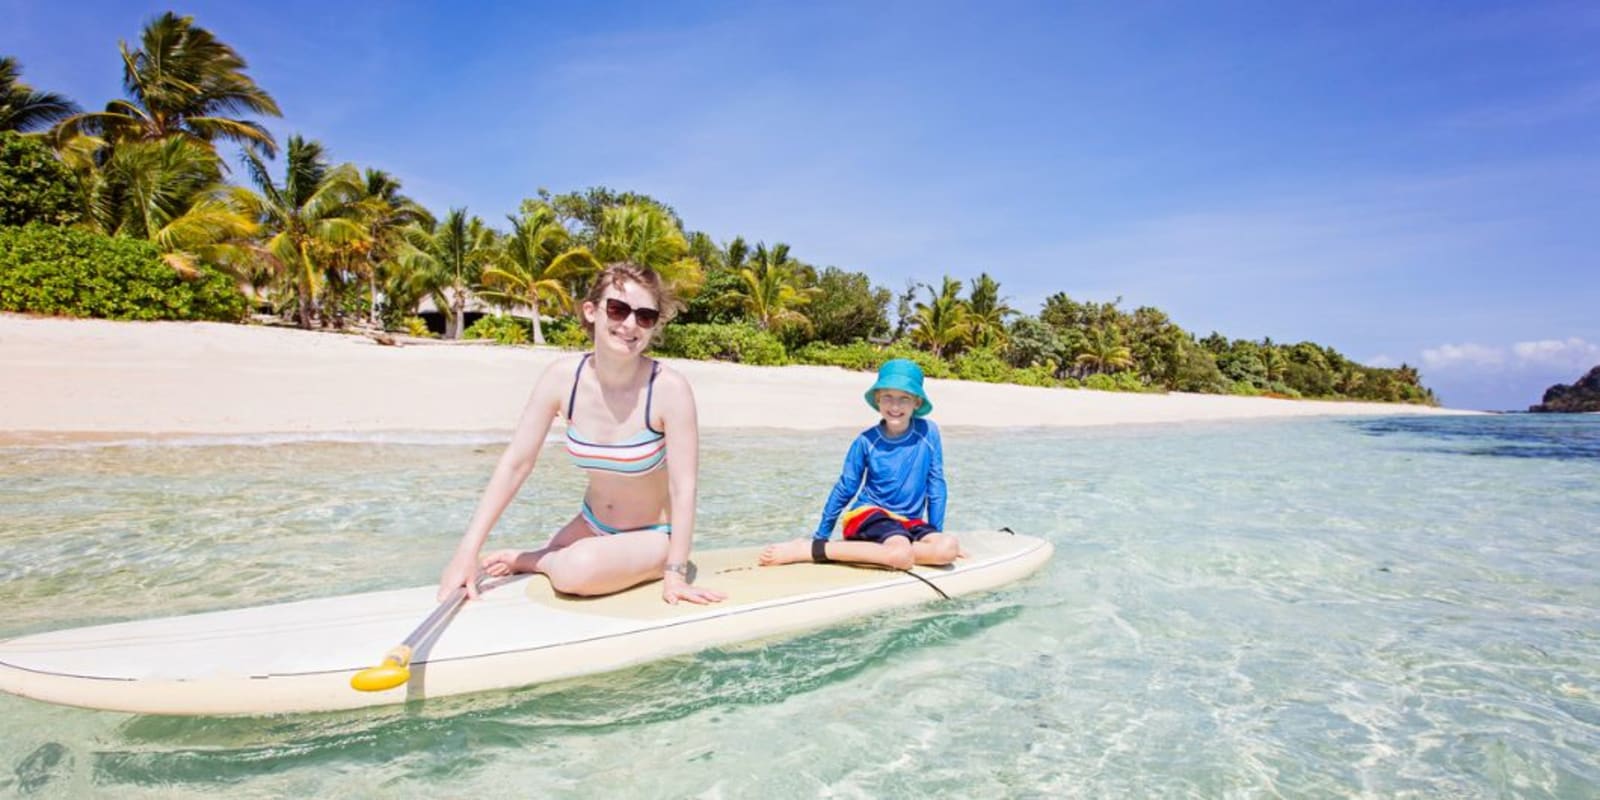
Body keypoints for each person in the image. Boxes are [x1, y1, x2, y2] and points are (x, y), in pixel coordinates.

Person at [437, 262, 726, 606]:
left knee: (575, 570)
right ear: (591, 311)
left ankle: (532, 558)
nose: (630, 325)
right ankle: (541, 558)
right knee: (564, 559)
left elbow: (684, 487)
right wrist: (466, 552)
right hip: (590, 523)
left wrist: (675, 572)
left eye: (645, 316)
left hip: (653, 536)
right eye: (618, 310)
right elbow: (516, 463)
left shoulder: (668, 389)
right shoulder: (562, 379)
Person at [759, 358, 959, 570]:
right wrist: (821, 535)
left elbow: (936, 484)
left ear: (917, 403)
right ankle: (809, 549)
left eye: (904, 398)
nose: (895, 406)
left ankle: (881, 551)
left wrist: (934, 536)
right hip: (868, 515)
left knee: (948, 548)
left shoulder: (929, 432)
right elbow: (845, 488)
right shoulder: (866, 441)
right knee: (901, 553)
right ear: (877, 399)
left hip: (907, 523)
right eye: (887, 397)